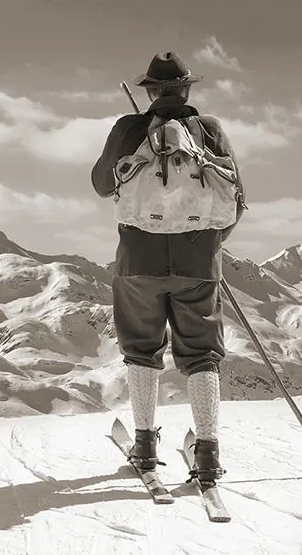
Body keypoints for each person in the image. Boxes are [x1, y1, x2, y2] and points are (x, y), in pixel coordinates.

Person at [91, 50, 246, 486]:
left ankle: (143, 444)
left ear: (150, 90)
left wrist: (134, 145)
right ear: (187, 88)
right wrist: (209, 245)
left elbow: (103, 185)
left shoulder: (128, 129)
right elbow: (236, 199)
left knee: (142, 348)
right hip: (199, 261)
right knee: (200, 355)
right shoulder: (209, 130)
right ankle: (209, 454)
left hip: (138, 260)